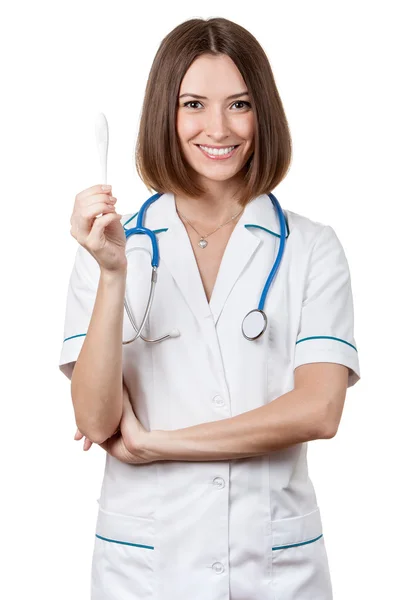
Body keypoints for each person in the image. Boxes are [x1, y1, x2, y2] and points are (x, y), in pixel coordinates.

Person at [59, 16, 361, 600]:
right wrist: (114, 273)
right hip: (146, 569)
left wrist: (161, 443)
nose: (217, 128)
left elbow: (319, 410)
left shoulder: (312, 247)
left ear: (262, 113)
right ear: (164, 116)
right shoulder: (112, 247)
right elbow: (97, 422)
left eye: (239, 104)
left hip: (274, 568)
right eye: (193, 103)